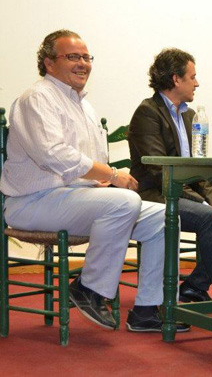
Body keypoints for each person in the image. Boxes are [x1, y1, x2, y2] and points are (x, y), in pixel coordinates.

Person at [0, 29, 188, 333]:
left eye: (86, 57)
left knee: (165, 218)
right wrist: (112, 176)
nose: (82, 63)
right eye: (73, 56)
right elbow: (54, 155)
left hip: (76, 200)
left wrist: (103, 182)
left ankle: (147, 309)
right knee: (124, 202)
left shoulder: (85, 106)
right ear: (49, 63)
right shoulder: (36, 98)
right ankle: (90, 288)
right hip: (33, 201)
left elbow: (91, 161)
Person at [128, 48, 212, 324]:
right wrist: (206, 207)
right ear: (175, 79)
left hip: (182, 192)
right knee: (209, 219)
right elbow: (161, 172)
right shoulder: (148, 112)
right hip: (156, 194)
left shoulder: (190, 115)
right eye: (192, 77)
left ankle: (194, 286)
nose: (197, 83)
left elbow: (199, 169)